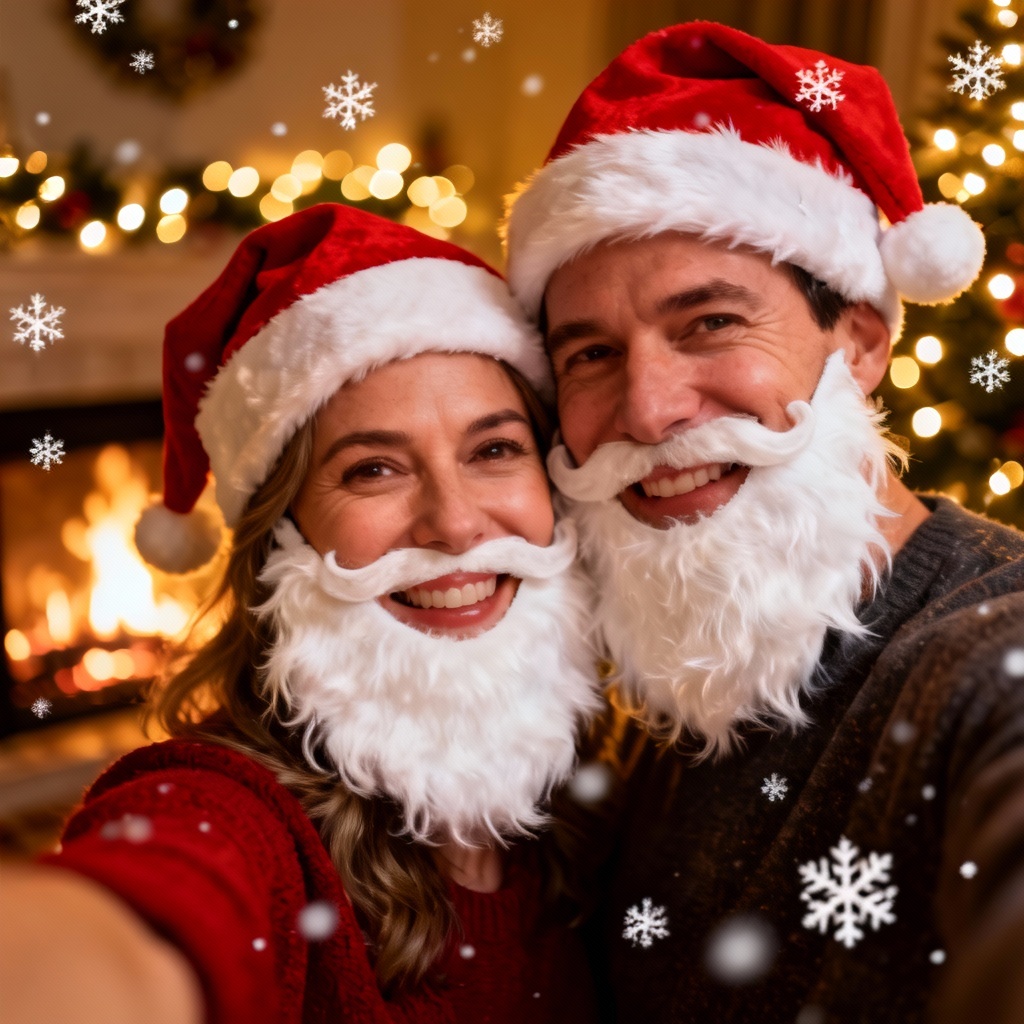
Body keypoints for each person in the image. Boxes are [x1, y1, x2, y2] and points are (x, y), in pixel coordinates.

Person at [503, 20, 1024, 1024]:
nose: (648, 410)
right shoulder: (648, 688)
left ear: (861, 342)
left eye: (710, 323)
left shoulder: (989, 656)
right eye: (590, 355)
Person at [0, 204, 602, 1024]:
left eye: (494, 450)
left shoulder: (603, 774)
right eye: (373, 470)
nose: (457, 527)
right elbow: (147, 916)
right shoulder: (233, 810)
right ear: (283, 534)